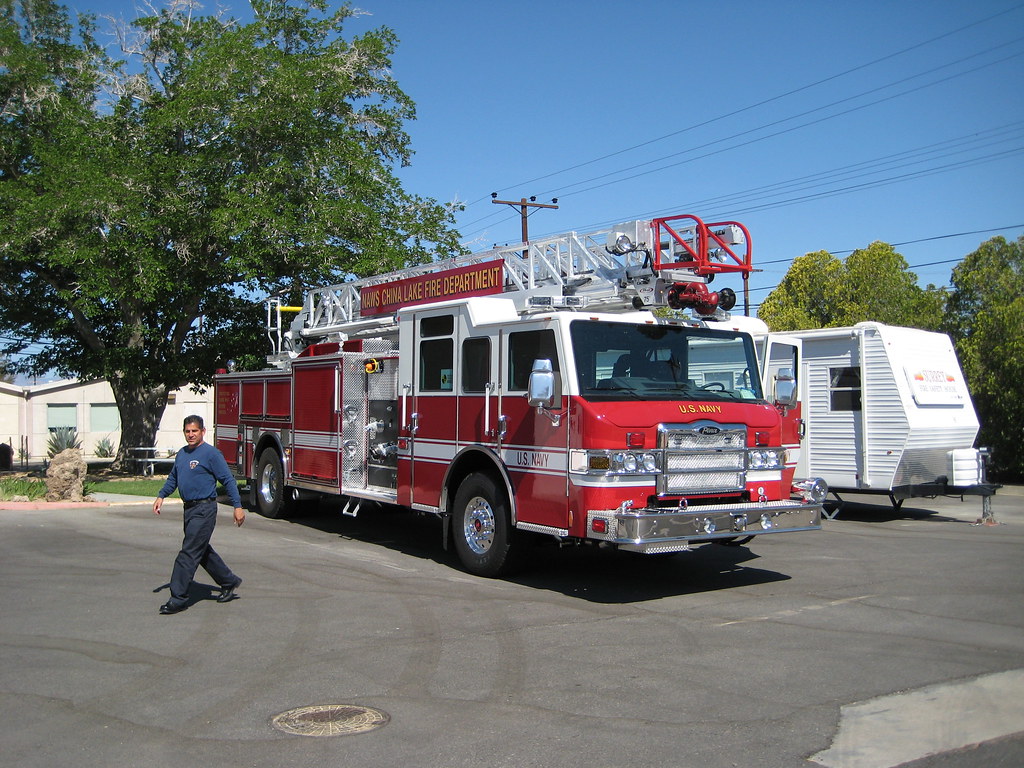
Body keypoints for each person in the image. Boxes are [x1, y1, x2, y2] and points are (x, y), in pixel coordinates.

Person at [152, 415, 245, 615]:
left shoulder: (211, 454)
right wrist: (161, 496)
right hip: (190, 509)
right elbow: (173, 478)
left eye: (195, 431)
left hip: (205, 509)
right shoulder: (182, 454)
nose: (191, 434)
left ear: (202, 431)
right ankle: (229, 581)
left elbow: (228, 480)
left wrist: (237, 506)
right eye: (187, 431)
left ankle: (178, 598)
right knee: (200, 550)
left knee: (188, 553)